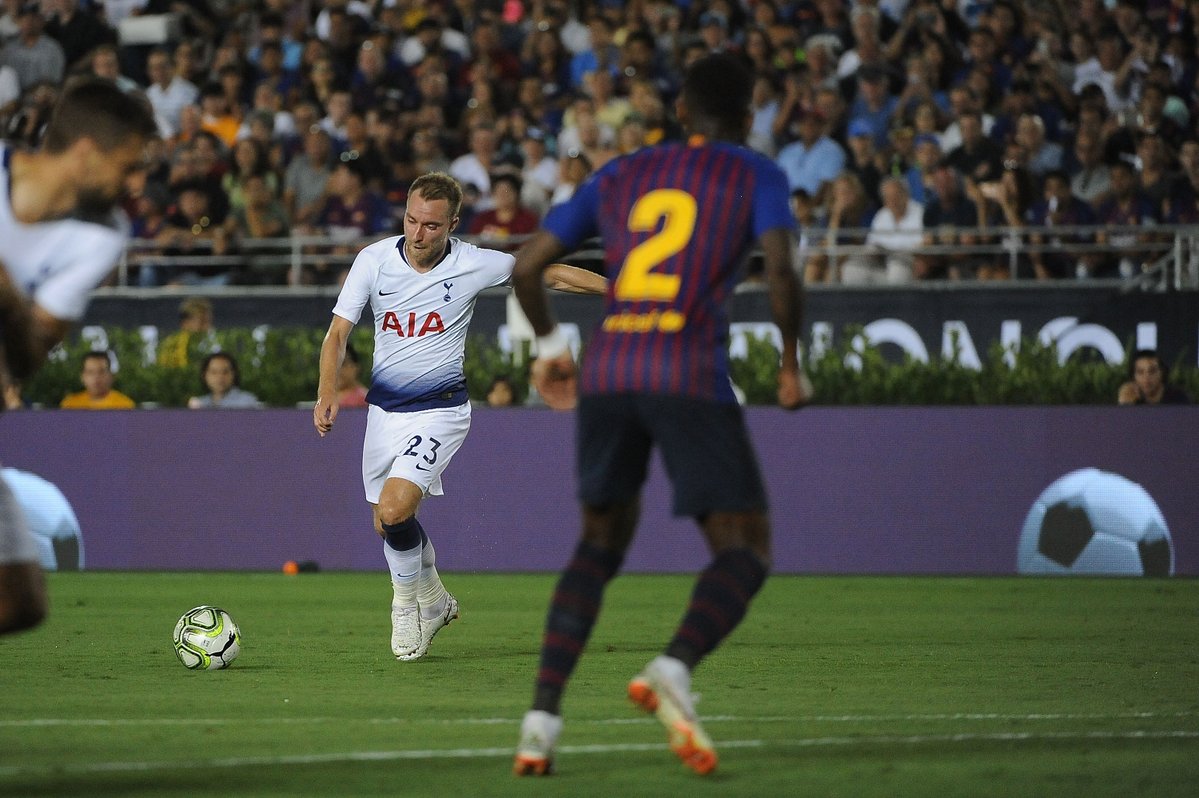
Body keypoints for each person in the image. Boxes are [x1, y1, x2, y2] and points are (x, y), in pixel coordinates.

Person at [510, 53, 809, 777]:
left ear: (679, 113)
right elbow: (780, 267)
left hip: (611, 370)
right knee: (746, 547)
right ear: (746, 119)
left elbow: (525, 267)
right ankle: (674, 667)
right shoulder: (754, 173)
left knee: (596, 547)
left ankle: (539, 723)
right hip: (685, 370)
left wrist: (552, 346)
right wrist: (790, 360)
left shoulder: (618, 173)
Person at [313, 172, 605, 664]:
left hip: (441, 411)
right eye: (410, 220)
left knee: (393, 509)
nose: (417, 233)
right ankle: (436, 601)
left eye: (430, 225)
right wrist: (327, 391)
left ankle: (407, 606)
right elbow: (338, 333)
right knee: (389, 526)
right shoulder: (375, 260)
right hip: (384, 413)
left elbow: (547, 273)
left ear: (452, 223)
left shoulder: (474, 263)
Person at [0, 76, 156, 635]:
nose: (136, 184)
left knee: (21, 604)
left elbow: (28, 356)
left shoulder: (105, 235)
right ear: (86, 154)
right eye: (129, 165)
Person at [59, 350, 135, 409]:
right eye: (90, 372)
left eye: (101, 371)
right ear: (82, 377)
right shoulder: (70, 405)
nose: (96, 377)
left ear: (111, 376)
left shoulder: (125, 405)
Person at [187, 352, 262, 409]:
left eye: (225, 372)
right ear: (204, 376)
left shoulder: (248, 402)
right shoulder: (199, 403)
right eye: (214, 372)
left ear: (233, 374)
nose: (220, 377)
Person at [1117, 350, 1191, 405]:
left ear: (1162, 373)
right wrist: (1125, 406)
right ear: (1133, 376)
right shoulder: (1132, 398)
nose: (1146, 377)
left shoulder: (1178, 398)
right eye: (1140, 372)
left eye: (1152, 371)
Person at [158, 296, 214, 368]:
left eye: (209, 322)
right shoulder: (172, 346)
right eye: (202, 322)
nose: (208, 327)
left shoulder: (208, 346)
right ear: (185, 323)